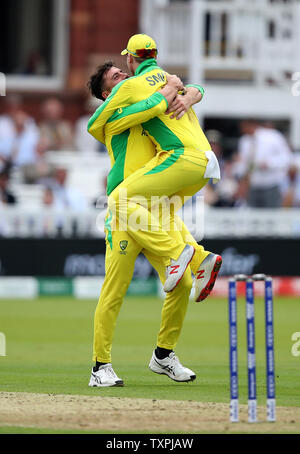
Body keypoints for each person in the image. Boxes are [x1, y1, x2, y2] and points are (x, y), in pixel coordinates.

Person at [86, 38, 222, 387]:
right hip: (124, 208)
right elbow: (118, 115)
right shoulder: (114, 119)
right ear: (107, 95)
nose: (122, 78)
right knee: (114, 290)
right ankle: (100, 367)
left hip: (154, 203)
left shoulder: (149, 99)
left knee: (183, 283)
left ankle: (164, 355)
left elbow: (185, 91)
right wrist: (165, 94)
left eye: (121, 72)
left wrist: (190, 90)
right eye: (114, 79)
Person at [235, 119, 292, 207]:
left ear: (253, 125)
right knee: (253, 216)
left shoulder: (273, 136)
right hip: (252, 186)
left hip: (270, 184)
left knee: (270, 216)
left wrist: (269, 163)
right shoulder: (244, 141)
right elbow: (243, 163)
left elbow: (287, 158)